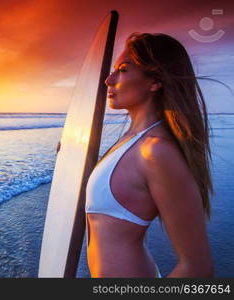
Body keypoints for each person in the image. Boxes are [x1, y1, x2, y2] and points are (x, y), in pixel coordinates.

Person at [84, 32, 214, 278]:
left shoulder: (157, 151)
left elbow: (198, 269)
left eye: (122, 70)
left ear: (154, 82)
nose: (108, 80)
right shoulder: (130, 140)